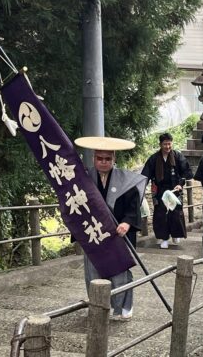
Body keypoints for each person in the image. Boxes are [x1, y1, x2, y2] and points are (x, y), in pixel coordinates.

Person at [75, 137, 147, 321]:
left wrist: (126, 223)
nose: (104, 162)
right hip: (94, 233)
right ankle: (98, 306)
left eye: (107, 159)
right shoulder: (84, 179)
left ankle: (124, 307)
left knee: (121, 271)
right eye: (100, 158)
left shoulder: (126, 181)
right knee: (93, 271)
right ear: (94, 159)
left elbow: (133, 208)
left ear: (114, 159)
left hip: (119, 234)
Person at [142, 133, 193, 249]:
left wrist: (180, 184)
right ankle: (164, 238)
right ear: (160, 144)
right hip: (160, 191)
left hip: (175, 190)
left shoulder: (178, 156)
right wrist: (142, 187)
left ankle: (176, 234)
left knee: (175, 214)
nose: (167, 147)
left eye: (169, 144)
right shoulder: (154, 158)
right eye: (165, 144)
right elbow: (146, 174)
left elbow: (186, 172)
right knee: (161, 215)